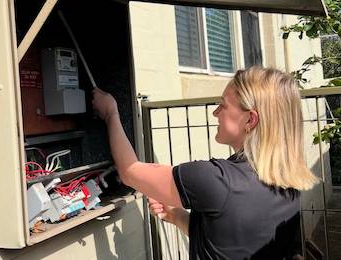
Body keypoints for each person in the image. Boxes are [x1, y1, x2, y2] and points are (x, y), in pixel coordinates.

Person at [92, 67, 318, 260]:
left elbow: (130, 172)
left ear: (250, 119)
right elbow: (227, 242)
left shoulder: (214, 179)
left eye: (223, 105)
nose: (215, 113)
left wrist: (111, 113)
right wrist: (176, 215)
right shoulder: (287, 184)